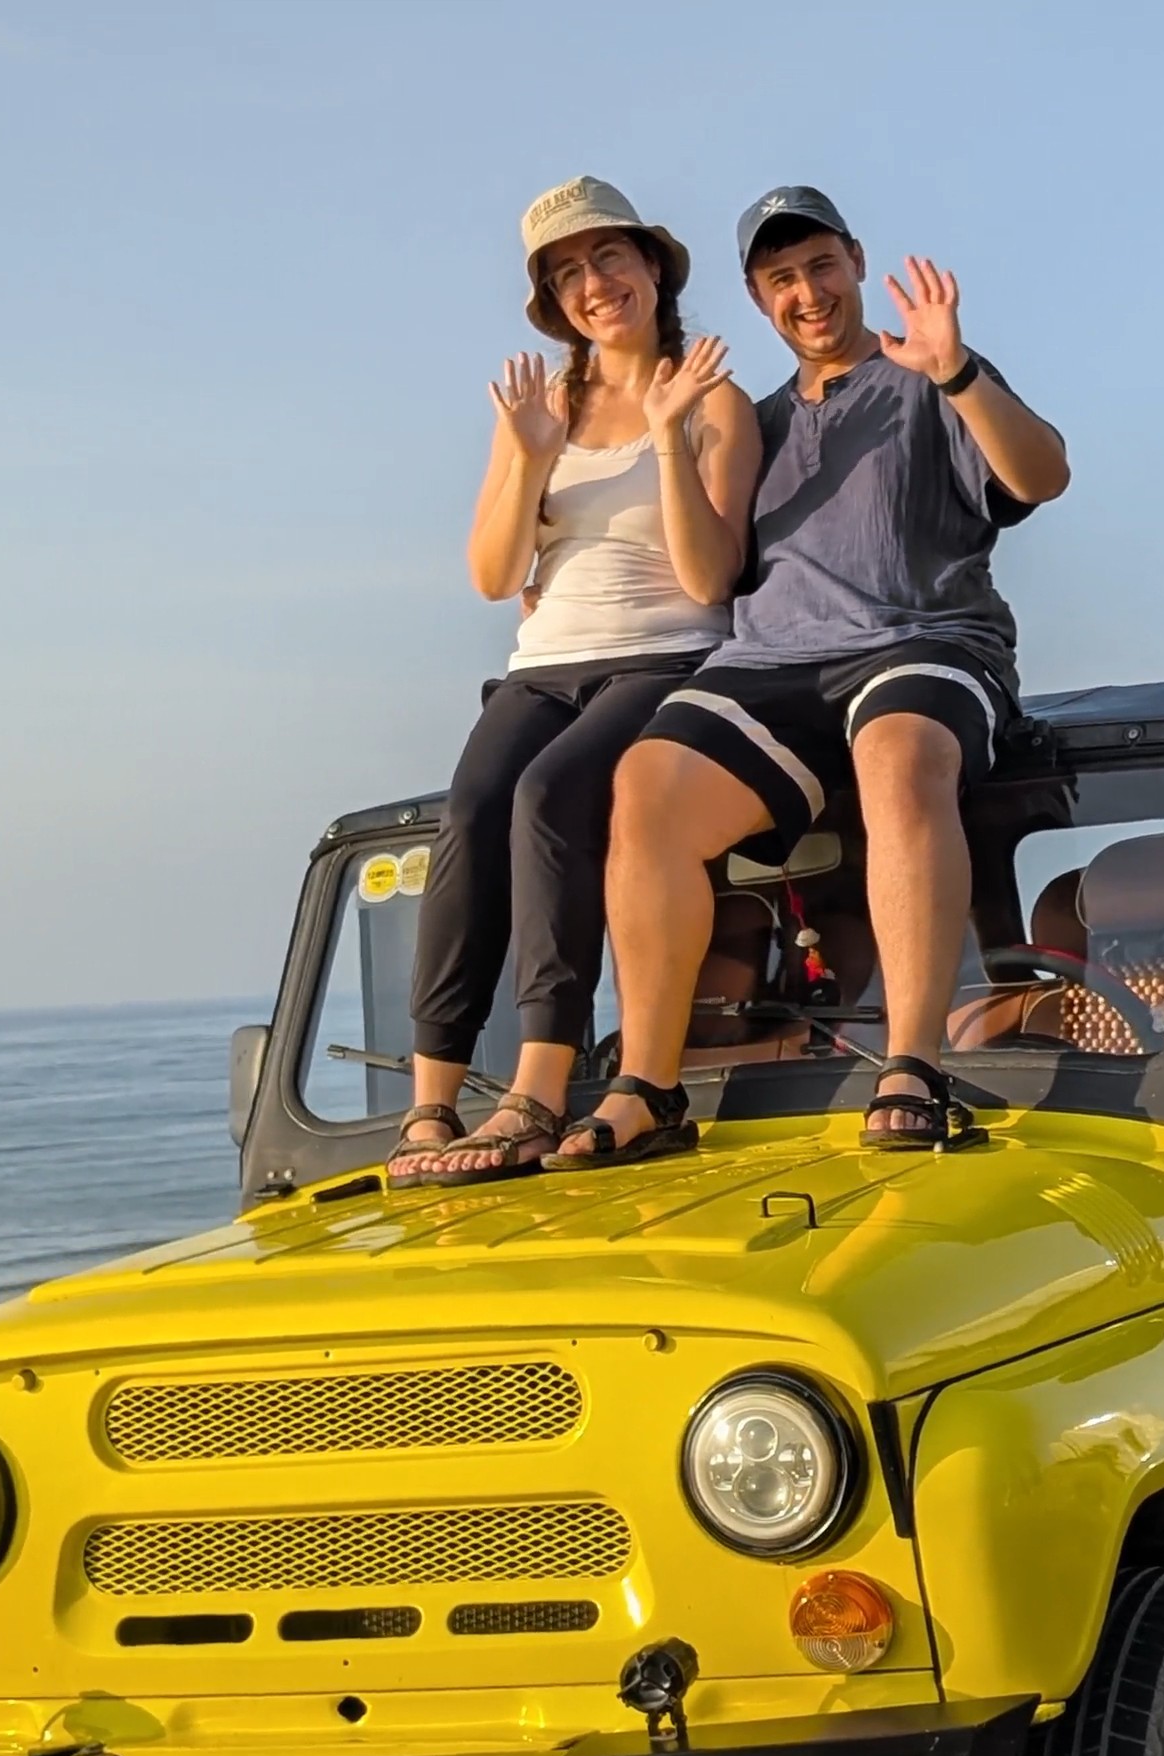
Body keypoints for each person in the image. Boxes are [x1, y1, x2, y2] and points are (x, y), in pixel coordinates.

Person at [550, 185, 1071, 1165]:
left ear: (858, 262)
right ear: (759, 300)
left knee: (899, 753)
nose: (808, 292)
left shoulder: (933, 378)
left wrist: (958, 373)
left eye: (821, 266)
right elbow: (707, 566)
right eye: (782, 278)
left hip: (924, 641)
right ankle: (648, 1086)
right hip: (774, 659)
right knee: (645, 786)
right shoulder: (755, 421)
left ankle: (913, 1063)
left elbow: (1043, 475)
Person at [389, 177, 759, 1186]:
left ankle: (540, 1088)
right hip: (544, 661)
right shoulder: (543, 408)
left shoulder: (713, 396)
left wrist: (673, 433)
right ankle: (432, 1104)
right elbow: (493, 576)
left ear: (651, 268)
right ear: (553, 304)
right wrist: (525, 456)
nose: (594, 284)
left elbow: (709, 577)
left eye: (608, 259)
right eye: (567, 273)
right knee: (469, 812)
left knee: (552, 798)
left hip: (666, 654)